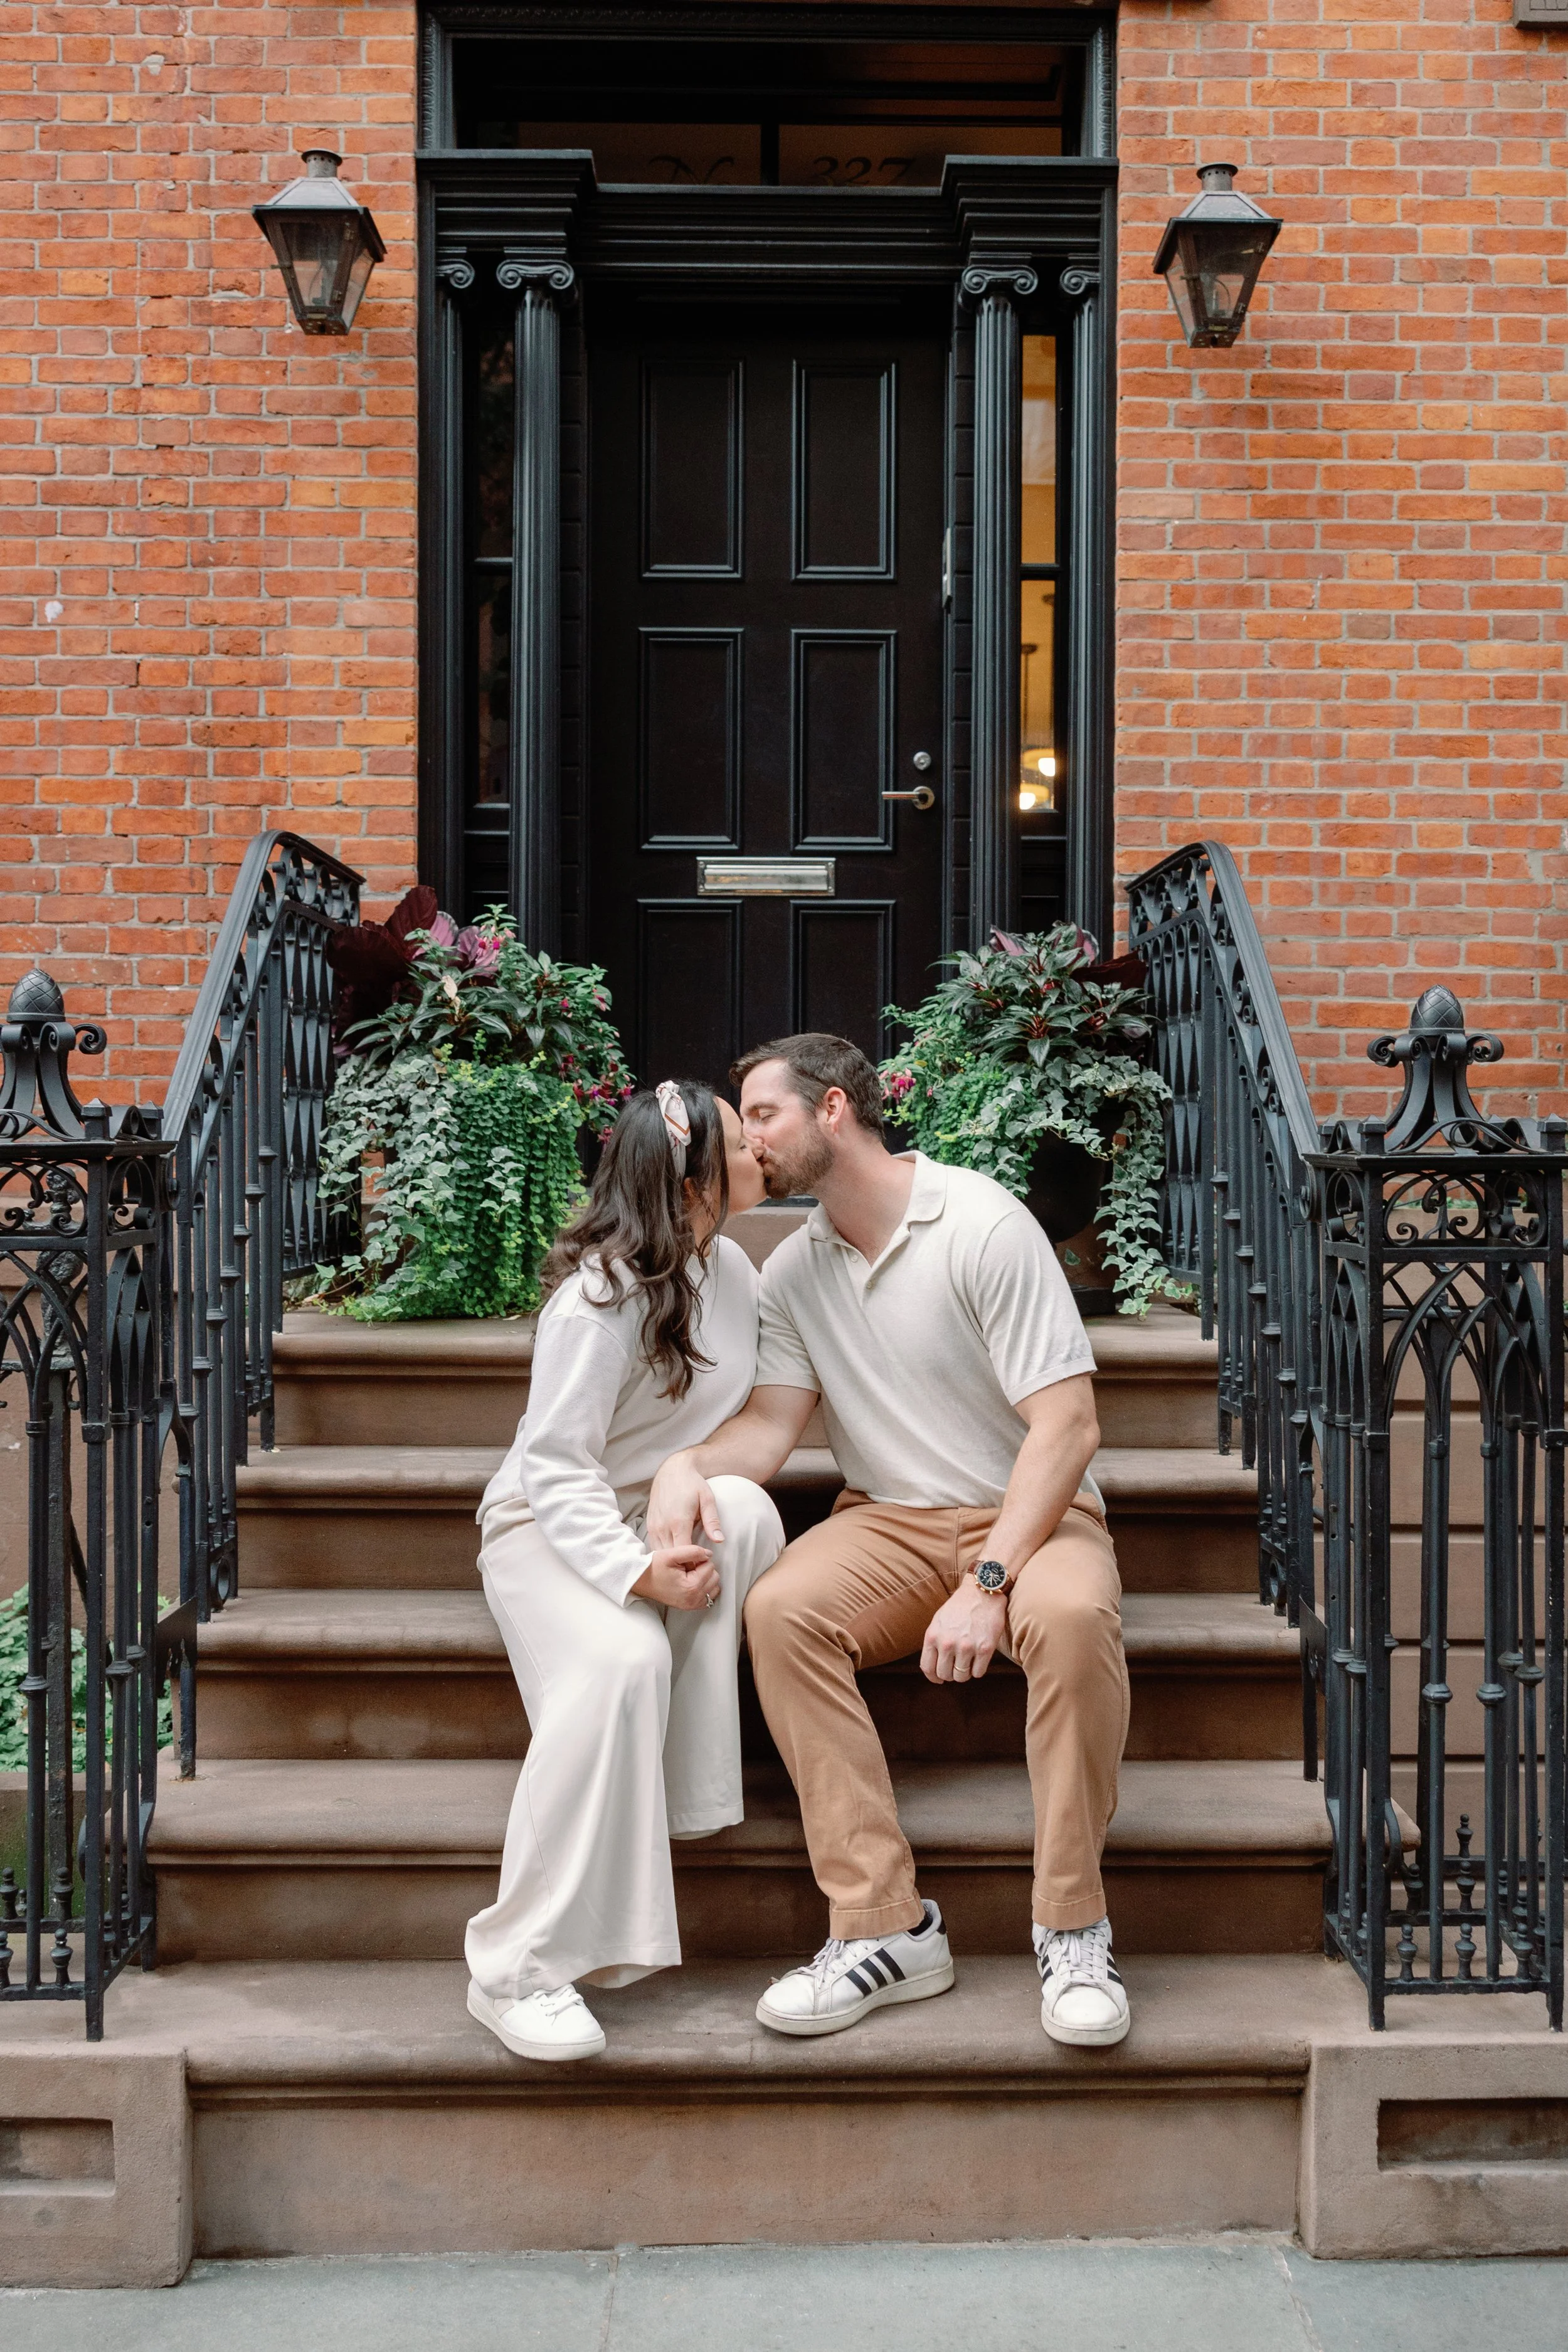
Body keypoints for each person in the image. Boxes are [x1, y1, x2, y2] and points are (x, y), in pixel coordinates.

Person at [647, 1033, 1131, 2050]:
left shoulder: (984, 1224)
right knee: (779, 1609)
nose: (749, 1143)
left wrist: (991, 1579)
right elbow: (774, 1427)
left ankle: (1072, 1924)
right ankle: (886, 1925)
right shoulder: (795, 1270)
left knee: (1078, 1618)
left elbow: (1069, 1427)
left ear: (832, 1110)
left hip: (1033, 1516)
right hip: (890, 1522)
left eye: (763, 1115)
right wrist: (686, 1465)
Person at [465, 1080, 785, 2062]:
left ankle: (680, 1791)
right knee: (620, 1664)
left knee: (752, 1513)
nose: (760, 1149)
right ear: (694, 1183)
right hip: (546, 1526)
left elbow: (746, 1417)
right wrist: (638, 1574)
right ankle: (516, 1966)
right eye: (740, 1139)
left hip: (652, 1508)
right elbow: (556, 1468)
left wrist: (686, 1489)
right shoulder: (595, 1299)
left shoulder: (733, 1268)